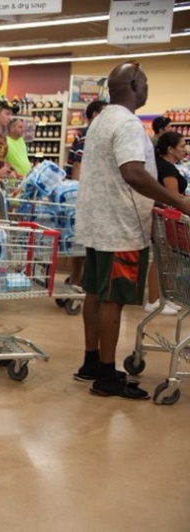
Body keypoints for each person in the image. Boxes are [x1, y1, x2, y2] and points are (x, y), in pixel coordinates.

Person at [74, 60, 190, 399]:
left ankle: (91, 363)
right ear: (136, 85)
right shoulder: (126, 124)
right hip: (120, 227)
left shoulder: (102, 120)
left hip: (99, 223)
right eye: (147, 81)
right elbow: (133, 173)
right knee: (114, 299)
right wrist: (179, 202)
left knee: (95, 292)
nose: (149, 87)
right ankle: (107, 377)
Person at [64, 99, 107, 291]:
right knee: (81, 242)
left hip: (85, 195)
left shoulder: (87, 135)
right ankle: (76, 279)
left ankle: (77, 278)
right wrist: (78, 192)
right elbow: (78, 166)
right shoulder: (89, 135)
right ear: (96, 115)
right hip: (83, 196)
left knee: (81, 242)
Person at [144, 131, 188, 314]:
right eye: (182, 146)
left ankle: (163, 299)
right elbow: (173, 197)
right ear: (170, 149)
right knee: (161, 258)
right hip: (165, 218)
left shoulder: (158, 166)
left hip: (160, 216)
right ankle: (153, 300)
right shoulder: (168, 169)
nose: (185, 150)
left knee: (164, 257)